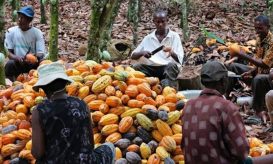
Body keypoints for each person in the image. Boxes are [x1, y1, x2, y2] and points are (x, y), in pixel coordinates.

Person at [31, 62, 115, 163]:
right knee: (110, 147)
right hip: (84, 161)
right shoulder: (82, 104)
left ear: (43, 88)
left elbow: (37, 153)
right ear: (65, 83)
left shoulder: (39, 111)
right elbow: (90, 144)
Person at [181, 61, 249, 164]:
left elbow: (184, 146)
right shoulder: (226, 107)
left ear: (202, 82)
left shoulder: (188, 106)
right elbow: (241, 151)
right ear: (224, 81)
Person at [226, 15, 273, 124]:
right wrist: (250, 72)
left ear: (268, 27)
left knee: (258, 79)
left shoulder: (272, 42)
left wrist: (242, 55)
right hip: (260, 73)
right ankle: (225, 99)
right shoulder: (259, 39)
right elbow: (258, 62)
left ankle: (258, 111)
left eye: (260, 28)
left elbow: (265, 64)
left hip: (269, 80)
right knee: (233, 67)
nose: (257, 31)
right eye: (256, 28)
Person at [130, 8, 184, 90]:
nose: (160, 24)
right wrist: (142, 53)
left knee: (171, 65)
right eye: (158, 22)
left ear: (167, 20)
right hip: (152, 69)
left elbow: (180, 59)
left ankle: (169, 90)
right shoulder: (148, 38)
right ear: (154, 22)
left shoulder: (174, 36)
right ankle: (145, 88)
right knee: (137, 67)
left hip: (167, 68)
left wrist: (172, 52)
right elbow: (133, 56)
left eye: (163, 21)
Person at [4, 6, 46, 81]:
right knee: (9, 64)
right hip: (18, 63)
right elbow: (8, 52)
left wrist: (33, 57)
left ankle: (40, 81)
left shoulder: (37, 33)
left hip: (32, 64)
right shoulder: (11, 32)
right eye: (19, 17)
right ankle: (12, 83)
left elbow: (41, 53)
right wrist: (17, 58)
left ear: (29, 20)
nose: (19, 20)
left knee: (43, 63)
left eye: (23, 18)